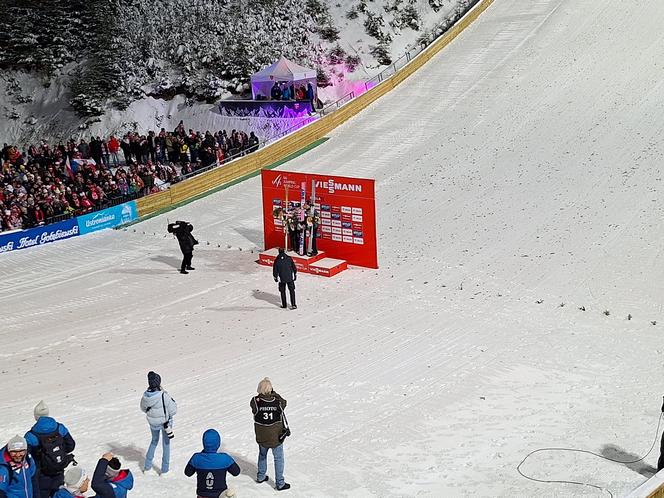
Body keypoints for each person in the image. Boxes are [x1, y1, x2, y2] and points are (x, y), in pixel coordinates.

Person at [25, 400, 76, 498]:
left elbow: (27, 457)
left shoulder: (31, 436)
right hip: (59, 471)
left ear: (36, 416)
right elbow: (71, 445)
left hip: (41, 475)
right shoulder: (60, 428)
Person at [250, 378, 290, 491]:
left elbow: (254, 408)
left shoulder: (255, 401)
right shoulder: (277, 402)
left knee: (262, 455)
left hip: (262, 436)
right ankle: (280, 483)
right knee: (278, 458)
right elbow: (284, 403)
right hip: (276, 437)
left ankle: (261, 476)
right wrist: (274, 393)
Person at [140, 371, 177, 474]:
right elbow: (173, 410)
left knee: (154, 441)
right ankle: (164, 470)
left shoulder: (145, 396)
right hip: (165, 424)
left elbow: (143, 408)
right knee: (166, 444)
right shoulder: (163, 395)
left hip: (153, 424)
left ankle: (147, 467)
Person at [184, 429, 240, 498]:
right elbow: (236, 472)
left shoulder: (196, 458)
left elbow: (188, 473)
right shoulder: (225, 458)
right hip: (220, 495)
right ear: (218, 443)